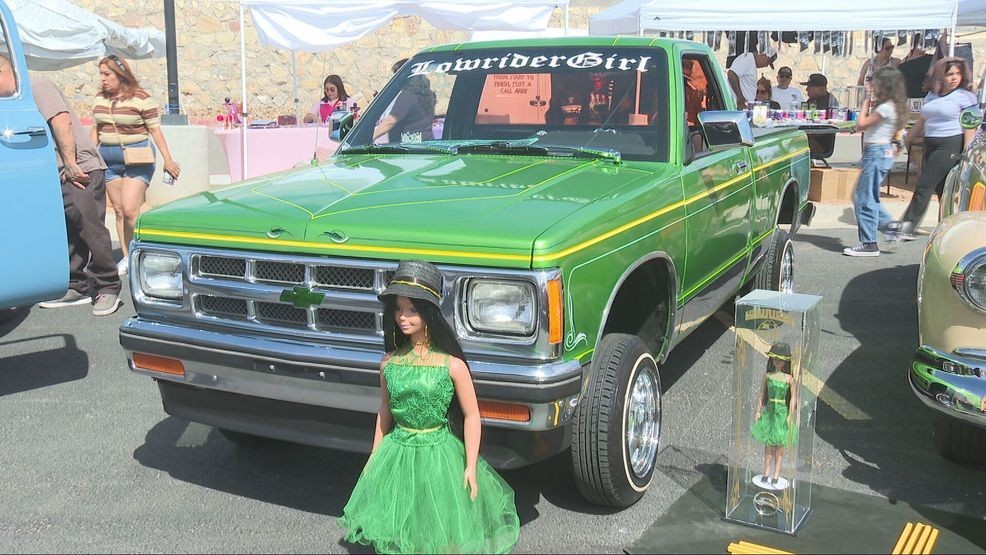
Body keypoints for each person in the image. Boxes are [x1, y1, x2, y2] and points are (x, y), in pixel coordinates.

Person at [338, 260, 520, 553]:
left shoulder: (452, 365)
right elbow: (385, 409)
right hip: (397, 453)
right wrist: (374, 454)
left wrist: (470, 464)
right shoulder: (389, 363)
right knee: (404, 520)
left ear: (429, 312)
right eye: (398, 308)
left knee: (439, 523)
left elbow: (472, 415)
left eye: (412, 309)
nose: (402, 316)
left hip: (439, 455)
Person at [0, 56, 121, 315]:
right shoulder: (19, 101)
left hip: (80, 169)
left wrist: (70, 164)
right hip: (57, 173)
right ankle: (77, 285)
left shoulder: (38, 86)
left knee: (90, 229)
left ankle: (108, 286)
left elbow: (61, 121)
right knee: (70, 231)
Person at [91, 55, 179, 276]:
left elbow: (155, 130)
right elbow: (96, 129)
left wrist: (168, 160)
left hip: (138, 160)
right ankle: (127, 256)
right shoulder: (100, 99)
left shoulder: (141, 98)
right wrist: (88, 157)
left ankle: (143, 252)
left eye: (107, 74)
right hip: (109, 162)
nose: (103, 79)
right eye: (101, 74)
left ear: (120, 74)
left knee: (131, 210)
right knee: (119, 211)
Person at [897, 57, 979, 240]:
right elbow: (921, 121)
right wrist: (905, 141)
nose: (954, 78)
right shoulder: (932, 96)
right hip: (930, 144)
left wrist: (967, 154)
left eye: (958, 74)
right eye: (950, 74)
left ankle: (907, 226)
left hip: (950, 144)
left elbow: (970, 127)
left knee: (924, 185)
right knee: (942, 189)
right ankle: (950, 225)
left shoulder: (965, 97)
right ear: (941, 76)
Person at [843, 67, 908, 257]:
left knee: (864, 198)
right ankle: (891, 227)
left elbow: (861, 124)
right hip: (880, 153)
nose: (873, 85)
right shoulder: (893, 106)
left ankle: (869, 243)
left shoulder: (885, 107)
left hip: (876, 153)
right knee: (865, 195)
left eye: (876, 82)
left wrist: (866, 99)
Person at [751, 342, 797, 488]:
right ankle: (766, 470)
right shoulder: (768, 376)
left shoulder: (789, 379)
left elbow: (793, 398)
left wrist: (790, 414)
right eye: (775, 359)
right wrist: (758, 410)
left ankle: (776, 472)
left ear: (785, 362)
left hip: (782, 413)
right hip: (770, 412)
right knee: (768, 443)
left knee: (780, 444)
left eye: (780, 359)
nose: (777, 361)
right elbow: (761, 394)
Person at [372, 60, 437, 144]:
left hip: (409, 145)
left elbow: (390, 121)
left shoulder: (408, 96)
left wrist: (370, 137)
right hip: (426, 141)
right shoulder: (427, 94)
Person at [898, 34, 934, 99]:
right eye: (922, 44)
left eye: (926, 43)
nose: (925, 46)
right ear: (914, 44)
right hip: (905, 97)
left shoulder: (931, 59)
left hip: (924, 97)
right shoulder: (904, 59)